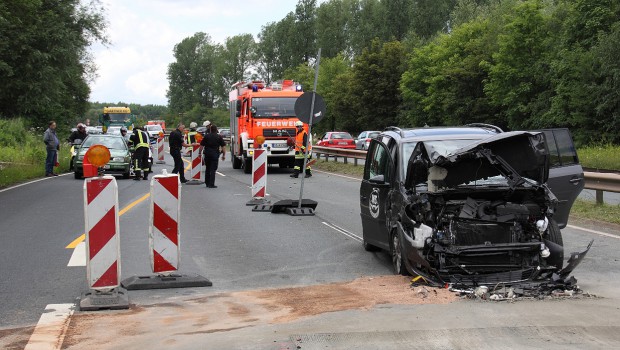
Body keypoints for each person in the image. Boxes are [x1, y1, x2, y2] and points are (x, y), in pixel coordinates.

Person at [199, 124, 225, 188]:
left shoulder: (206, 136)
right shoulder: (219, 137)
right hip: (215, 154)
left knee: (207, 168)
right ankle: (211, 184)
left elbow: (201, 146)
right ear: (216, 130)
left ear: (210, 130)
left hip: (207, 153)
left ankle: (207, 183)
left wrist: (199, 153)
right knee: (213, 169)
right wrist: (223, 155)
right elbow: (223, 147)